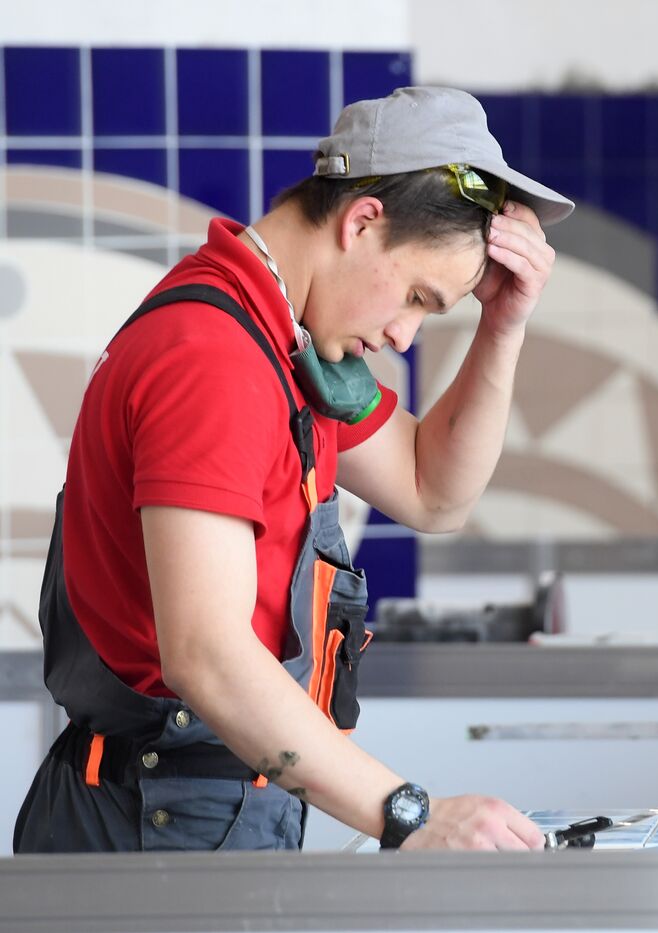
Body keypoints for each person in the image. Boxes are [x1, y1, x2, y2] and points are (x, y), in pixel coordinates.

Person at [14, 87, 573, 853]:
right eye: (415, 296)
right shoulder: (214, 358)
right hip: (159, 813)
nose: (405, 335)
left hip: (202, 800)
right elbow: (206, 653)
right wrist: (407, 812)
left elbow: (432, 489)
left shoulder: (279, 342)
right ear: (363, 222)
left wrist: (502, 326)